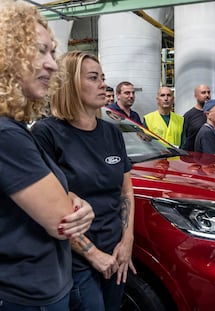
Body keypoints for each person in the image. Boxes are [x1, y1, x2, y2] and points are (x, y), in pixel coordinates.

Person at [0, 2, 94, 309]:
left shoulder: (13, 128)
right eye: (41, 51)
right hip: (28, 293)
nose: (53, 64)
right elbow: (62, 220)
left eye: (51, 52)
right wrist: (75, 205)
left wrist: (68, 196)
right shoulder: (7, 135)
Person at [32, 51, 136, 310]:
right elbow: (49, 205)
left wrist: (127, 241)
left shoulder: (112, 132)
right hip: (75, 260)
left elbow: (125, 190)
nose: (104, 84)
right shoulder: (47, 133)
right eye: (93, 77)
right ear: (69, 84)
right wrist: (93, 254)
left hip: (115, 253)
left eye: (103, 77)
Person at [181, 84, 211, 151]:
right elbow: (184, 140)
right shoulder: (188, 116)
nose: (207, 95)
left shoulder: (214, 113)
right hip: (194, 157)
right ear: (196, 96)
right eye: (203, 93)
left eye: (208, 92)